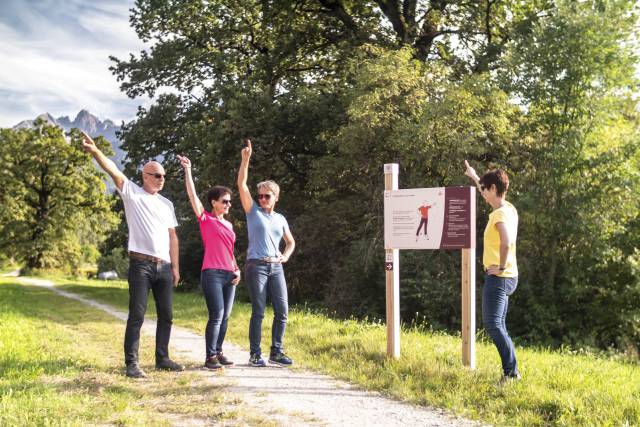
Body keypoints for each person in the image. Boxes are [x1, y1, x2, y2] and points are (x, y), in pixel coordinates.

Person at [81, 132, 184, 378]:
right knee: (137, 315)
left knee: (166, 316)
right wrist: (95, 151)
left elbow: (173, 238)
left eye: (164, 176)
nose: (161, 180)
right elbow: (113, 171)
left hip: (164, 267)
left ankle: (162, 358)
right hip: (140, 265)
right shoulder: (133, 194)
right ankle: (132, 363)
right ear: (144, 176)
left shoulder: (167, 204)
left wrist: (176, 267)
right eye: (156, 175)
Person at [177, 155, 240, 370]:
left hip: (230, 274)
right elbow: (192, 195)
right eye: (225, 201)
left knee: (226, 317)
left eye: (230, 201)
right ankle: (209, 357)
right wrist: (188, 170)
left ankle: (219, 352)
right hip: (212, 273)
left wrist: (237, 269)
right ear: (214, 202)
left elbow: (230, 251)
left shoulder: (230, 226)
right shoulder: (206, 219)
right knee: (217, 314)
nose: (228, 204)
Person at [237, 139, 296, 367]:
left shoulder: (280, 219)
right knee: (259, 311)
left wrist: (286, 255)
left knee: (282, 311)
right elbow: (242, 185)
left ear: (275, 197)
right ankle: (255, 354)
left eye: (266, 196)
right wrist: (246, 159)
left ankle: (276, 352)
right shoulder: (253, 212)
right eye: (259, 196)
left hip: (276, 267)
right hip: (256, 266)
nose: (262, 199)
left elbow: (290, 242)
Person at [464, 160, 521, 383]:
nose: (483, 193)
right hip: (509, 276)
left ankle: (511, 373)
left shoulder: (498, 216)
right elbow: (487, 191)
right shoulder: (508, 209)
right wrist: (475, 176)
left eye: (486, 190)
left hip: (499, 277)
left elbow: (506, 242)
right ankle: (511, 371)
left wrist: (501, 266)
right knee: (499, 324)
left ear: (494, 189)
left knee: (493, 324)